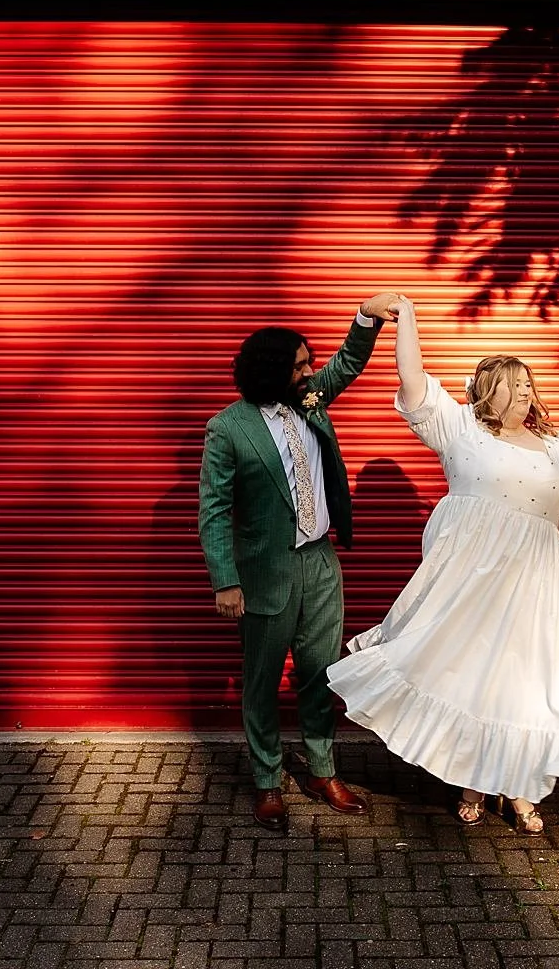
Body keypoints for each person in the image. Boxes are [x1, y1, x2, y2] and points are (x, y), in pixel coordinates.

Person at [326, 297, 559, 833]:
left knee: (529, 682)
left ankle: (522, 788)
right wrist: (405, 315)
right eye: (515, 384)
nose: (526, 393)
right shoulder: (459, 429)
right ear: (487, 388)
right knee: (479, 679)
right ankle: (475, 781)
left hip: (541, 584)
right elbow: (412, 378)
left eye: (530, 385)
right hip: (471, 586)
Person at [199, 293, 402, 831]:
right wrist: (226, 581)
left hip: (320, 563)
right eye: (299, 364)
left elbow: (348, 362)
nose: (310, 370)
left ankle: (320, 769)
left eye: (308, 363)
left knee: (319, 674)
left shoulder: (310, 397)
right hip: (266, 571)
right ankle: (267, 782)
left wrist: (367, 316)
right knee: (262, 681)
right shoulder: (227, 428)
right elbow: (214, 510)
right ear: (272, 371)